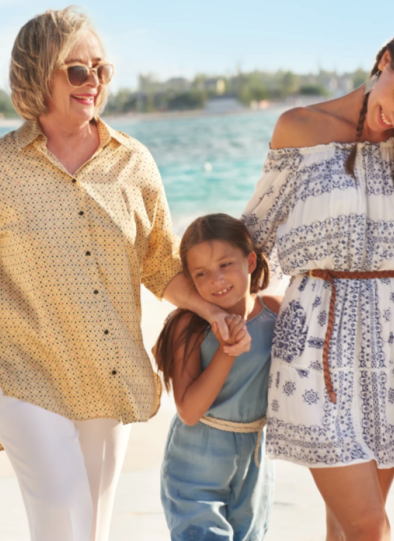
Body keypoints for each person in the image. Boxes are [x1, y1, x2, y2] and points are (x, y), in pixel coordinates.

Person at [0, 7, 240, 541]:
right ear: (36, 73)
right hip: (24, 371)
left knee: (90, 530)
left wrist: (212, 311)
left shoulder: (133, 163)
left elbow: (160, 264)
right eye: (76, 70)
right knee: (64, 518)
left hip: (105, 373)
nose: (92, 82)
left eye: (101, 69)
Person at [242, 27, 394, 541]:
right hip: (315, 352)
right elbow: (253, 238)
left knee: (346, 527)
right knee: (369, 526)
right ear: (383, 60)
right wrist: (219, 307)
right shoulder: (300, 127)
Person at [153, 213, 282, 541]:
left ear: (250, 261)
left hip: (255, 461)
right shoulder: (190, 326)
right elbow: (189, 411)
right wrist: (227, 350)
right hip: (196, 460)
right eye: (201, 273)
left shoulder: (276, 314)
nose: (216, 280)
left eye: (226, 264)